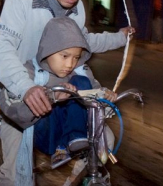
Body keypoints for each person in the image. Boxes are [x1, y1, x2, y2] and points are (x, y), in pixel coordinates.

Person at [0, 0, 133, 186]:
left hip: (60, 91)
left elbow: (83, 44)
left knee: (102, 142)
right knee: (14, 165)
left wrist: (119, 37)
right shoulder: (21, 0)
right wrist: (25, 87)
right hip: (19, 92)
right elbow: (3, 48)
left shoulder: (77, 8)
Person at [25, 16, 117, 169]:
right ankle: (67, 144)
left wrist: (105, 94)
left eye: (76, 58)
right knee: (67, 89)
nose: (70, 64)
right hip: (46, 134)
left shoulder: (79, 71)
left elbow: (94, 91)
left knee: (81, 83)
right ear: (48, 50)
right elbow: (20, 101)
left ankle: (81, 184)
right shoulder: (32, 72)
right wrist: (53, 97)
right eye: (65, 56)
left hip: (78, 137)